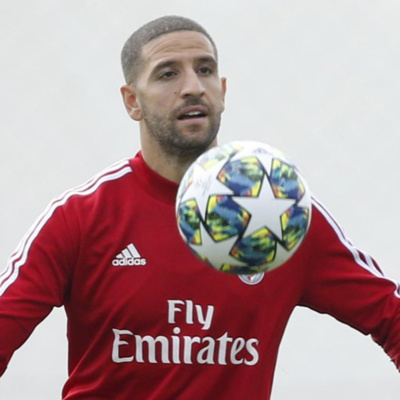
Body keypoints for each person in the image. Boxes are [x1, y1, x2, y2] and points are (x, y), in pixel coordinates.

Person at [0, 15, 399, 400]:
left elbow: (391, 317)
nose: (193, 87)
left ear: (222, 91)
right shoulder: (82, 217)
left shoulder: (281, 213)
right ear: (132, 101)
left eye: (205, 70)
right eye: (168, 74)